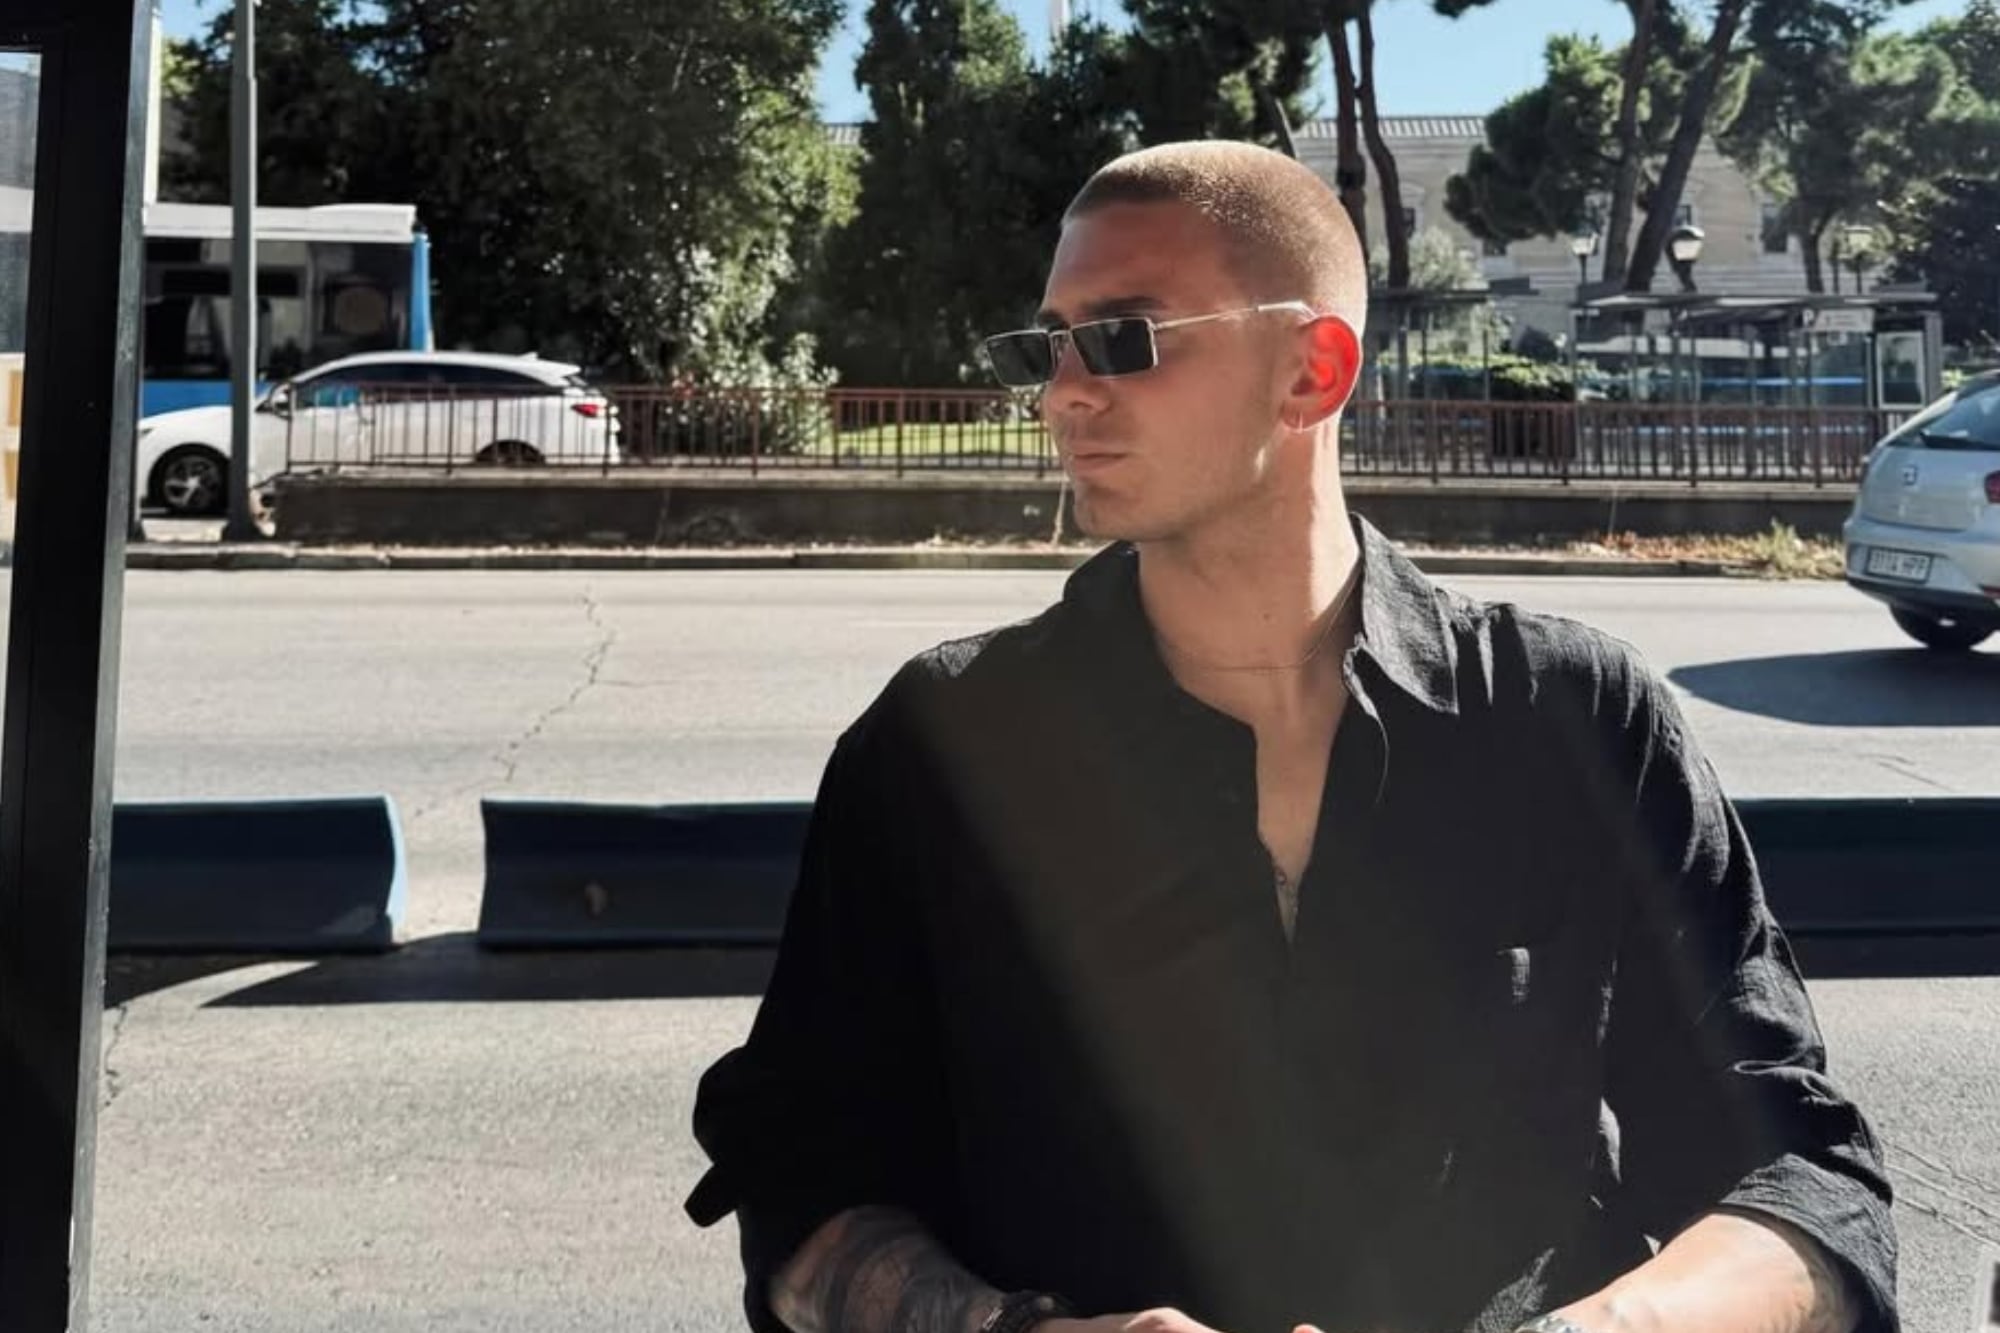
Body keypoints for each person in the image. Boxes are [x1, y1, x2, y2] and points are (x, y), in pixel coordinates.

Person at [686, 141, 1895, 1333]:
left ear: (1312, 370)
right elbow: (798, 1182)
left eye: (1123, 339)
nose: (1062, 393)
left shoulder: (1575, 719)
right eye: (1044, 347)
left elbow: (1800, 1176)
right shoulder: (945, 740)